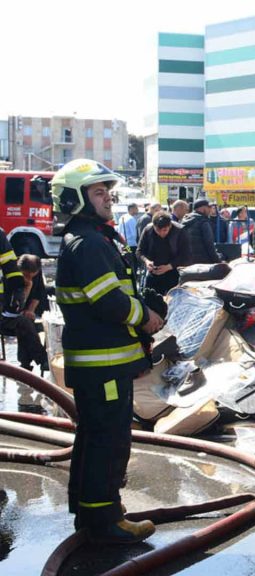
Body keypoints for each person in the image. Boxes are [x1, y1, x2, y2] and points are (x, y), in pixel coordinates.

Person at [52, 159, 163, 543]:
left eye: (107, 192)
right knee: (109, 439)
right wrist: (145, 317)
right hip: (103, 366)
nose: (107, 198)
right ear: (75, 199)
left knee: (96, 435)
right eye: (98, 193)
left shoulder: (92, 239)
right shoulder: (89, 244)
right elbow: (108, 302)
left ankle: (91, 512)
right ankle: (106, 521)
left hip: (101, 363)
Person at [0, 234, 46, 373]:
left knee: (27, 322)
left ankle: (26, 364)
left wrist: (31, 309)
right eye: (25, 275)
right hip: (7, 315)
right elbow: (15, 307)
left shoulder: (36, 275)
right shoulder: (11, 277)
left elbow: (39, 294)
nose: (28, 278)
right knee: (24, 323)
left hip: (21, 315)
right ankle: (41, 360)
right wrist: (26, 287)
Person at [137, 212, 188, 295]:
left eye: (165, 230)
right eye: (157, 230)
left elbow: (186, 255)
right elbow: (139, 251)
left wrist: (169, 267)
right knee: (151, 301)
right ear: (153, 226)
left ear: (170, 226)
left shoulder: (179, 231)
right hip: (153, 273)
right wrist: (146, 261)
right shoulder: (148, 230)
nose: (161, 233)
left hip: (173, 273)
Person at [181, 198, 222, 265]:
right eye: (209, 207)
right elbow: (210, 246)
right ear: (203, 208)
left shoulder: (183, 221)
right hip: (203, 264)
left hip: (187, 263)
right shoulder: (203, 222)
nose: (210, 210)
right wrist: (218, 261)